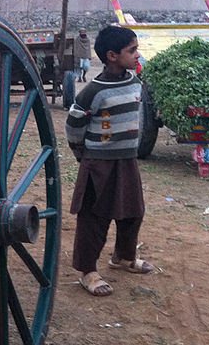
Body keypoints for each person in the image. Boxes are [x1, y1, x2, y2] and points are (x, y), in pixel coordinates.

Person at [64, 25, 154, 297]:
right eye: (133, 50)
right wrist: (84, 155)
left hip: (127, 160)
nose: (138, 55)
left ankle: (123, 257)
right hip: (98, 164)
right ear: (112, 56)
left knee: (133, 211)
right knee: (93, 217)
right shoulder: (93, 92)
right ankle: (87, 271)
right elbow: (73, 126)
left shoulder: (135, 83)